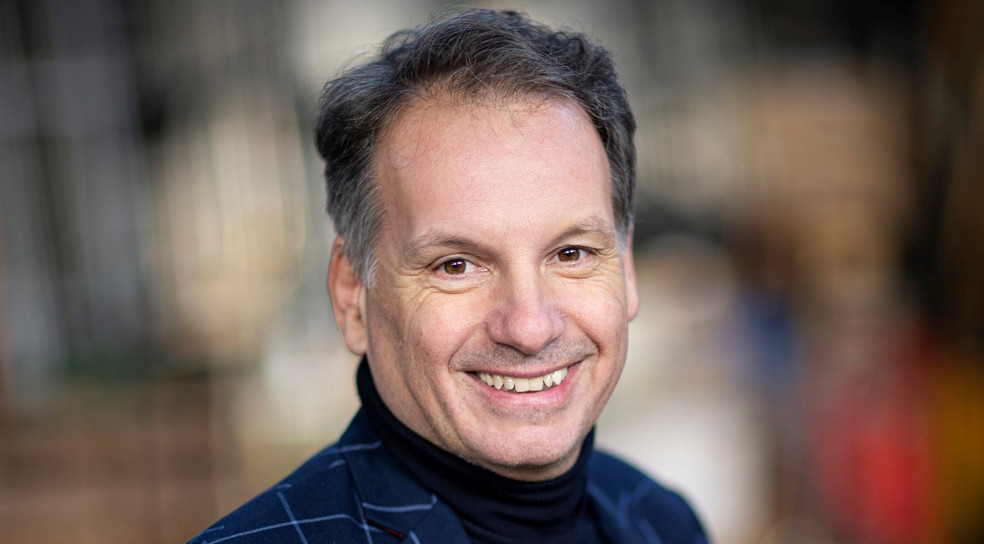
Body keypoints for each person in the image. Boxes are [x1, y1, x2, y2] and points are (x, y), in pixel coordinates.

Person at [188, 8, 707, 544]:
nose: (530, 328)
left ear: (626, 269)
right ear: (352, 296)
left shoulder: (664, 522)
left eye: (571, 254)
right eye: (456, 265)